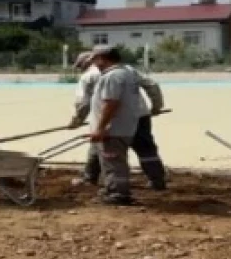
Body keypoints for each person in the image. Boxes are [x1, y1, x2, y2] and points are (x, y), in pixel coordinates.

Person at [70, 46, 166, 204]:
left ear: (101, 59)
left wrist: (79, 121)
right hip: (137, 117)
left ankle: (114, 191)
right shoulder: (128, 71)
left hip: (112, 124)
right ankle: (157, 180)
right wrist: (156, 106)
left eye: (94, 59)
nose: (93, 63)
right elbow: (152, 85)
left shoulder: (100, 76)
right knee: (145, 150)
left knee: (109, 155)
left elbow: (97, 103)